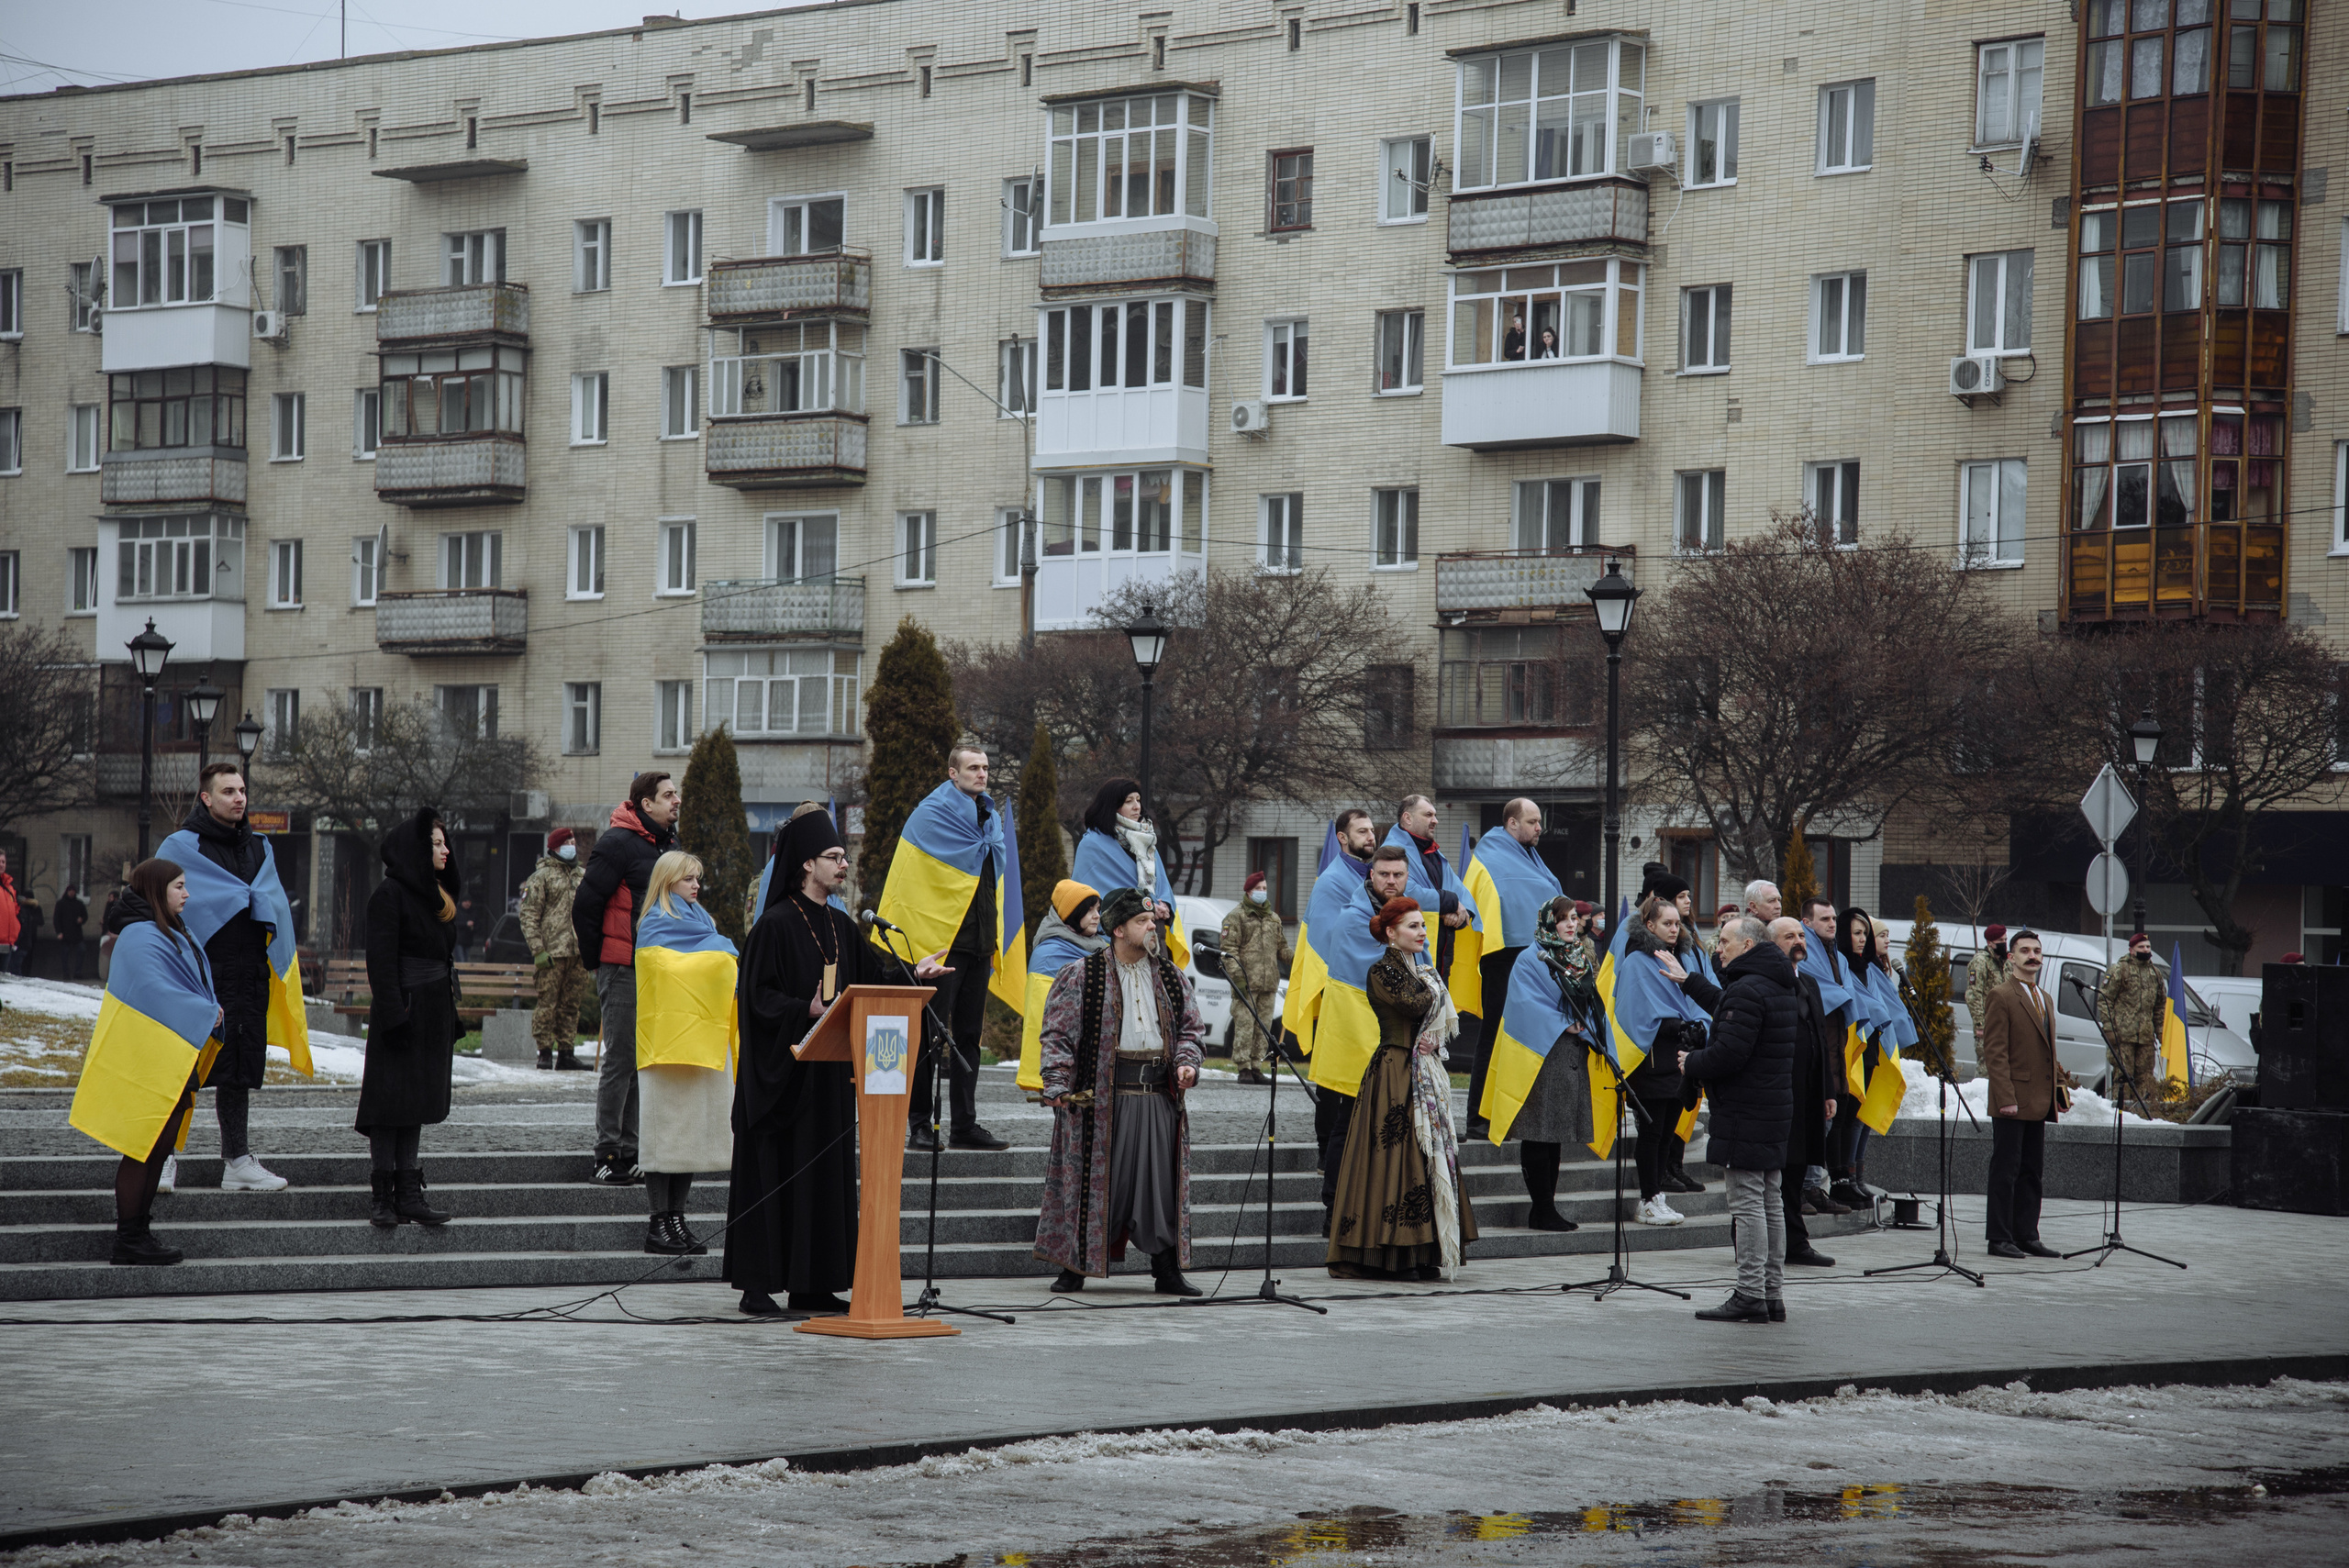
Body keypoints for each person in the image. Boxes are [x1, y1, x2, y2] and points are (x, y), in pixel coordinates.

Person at [729, 806, 943, 1317]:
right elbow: (754, 999)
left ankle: (813, 1283)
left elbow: (872, 982)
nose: (843, 865)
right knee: (776, 1176)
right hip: (782, 1082)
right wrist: (804, 1007)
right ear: (806, 864)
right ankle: (756, 1289)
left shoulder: (842, 924)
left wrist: (915, 971)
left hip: (828, 1081)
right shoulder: (774, 926)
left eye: (844, 857)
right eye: (833, 857)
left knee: (822, 1180)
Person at [1034, 886, 1206, 1296]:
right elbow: (1057, 1034)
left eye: (1154, 922)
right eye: (1142, 922)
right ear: (1118, 929)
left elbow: (1191, 1030)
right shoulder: (1082, 974)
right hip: (1101, 1103)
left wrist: (1187, 1062)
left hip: (1158, 1101)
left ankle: (1166, 1269)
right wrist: (1056, 1080)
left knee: (1159, 1187)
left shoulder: (1170, 976)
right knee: (1093, 1183)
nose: (1152, 928)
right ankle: (1074, 1267)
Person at [157, 763, 306, 1194]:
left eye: (242, 790)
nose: (239, 798)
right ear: (206, 798)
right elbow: (159, 905)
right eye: (228, 791)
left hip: (249, 974)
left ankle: (237, 1159)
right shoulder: (180, 846)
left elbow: (272, 903)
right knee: (183, 1065)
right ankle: (163, 1156)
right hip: (199, 976)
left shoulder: (259, 847)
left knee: (238, 1070)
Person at [68, 858, 220, 1265]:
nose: (187, 894)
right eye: (179, 887)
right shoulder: (139, 935)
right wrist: (204, 1012)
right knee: (143, 1146)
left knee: (161, 1147)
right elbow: (152, 990)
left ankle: (140, 1231)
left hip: (172, 1055)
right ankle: (128, 1238)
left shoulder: (168, 929)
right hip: (150, 1058)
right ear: (157, 891)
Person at [1327, 896, 1479, 1280]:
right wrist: (1434, 988)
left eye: (1423, 926)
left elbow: (1441, 1021)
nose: (1422, 933)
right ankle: (1388, 1255)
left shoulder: (1423, 969)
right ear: (1391, 934)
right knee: (1397, 1158)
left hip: (1423, 1070)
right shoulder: (1383, 970)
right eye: (1413, 927)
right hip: (1394, 1073)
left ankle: (1423, 1253)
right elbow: (1416, 1005)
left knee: (1428, 1156)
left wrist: (1437, 1042)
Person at [875, 745, 1015, 1153]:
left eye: (986, 767)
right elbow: (914, 882)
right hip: (942, 948)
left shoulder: (989, 819)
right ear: (953, 773)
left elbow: (990, 883)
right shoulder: (931, 813)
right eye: (973, 767)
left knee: (968, 1036)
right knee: (927, 1038)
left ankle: (964, 1125)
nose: (982, 773)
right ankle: (920, 1124)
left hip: (978, 946)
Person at [1675, 917, 1798, 1323]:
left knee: (1747, 1203)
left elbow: (1729, 1052)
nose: (1718, 948)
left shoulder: (1747, 988)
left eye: (1725, 941)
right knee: (1769, 1200)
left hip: (1746, 1110)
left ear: (1747, 944)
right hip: (1772, 1109)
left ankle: (1749, 1293)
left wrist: (1690, 1061)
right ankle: (1771, 1294)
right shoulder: (1775, 981)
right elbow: (1730, 1009)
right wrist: (1689, 980)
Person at [572, 771, 683, 1185]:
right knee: (619, 1060)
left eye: (676, 794)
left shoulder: (668, 844)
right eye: (668, 795)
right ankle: (607, 1152)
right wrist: (598, 961)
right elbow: (585, 905)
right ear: (644, 803)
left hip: (656, 970)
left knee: (642, 1060)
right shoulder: (617, 843)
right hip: (621, 968)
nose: (676, 800)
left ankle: (632, 1149)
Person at [357, 809, 462, 1229]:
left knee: (415, 1101)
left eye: (443, 842)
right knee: (388, 1105)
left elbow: (441, 958)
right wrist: (394, 1016)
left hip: (432, 1012)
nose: (445, 850)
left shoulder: (435, 894)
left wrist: (449, 1014)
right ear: (417, 849)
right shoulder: (390, 894)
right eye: (436, 843)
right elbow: (380, 963)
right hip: (401, 1012)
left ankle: (410, 1193)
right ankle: (383, 1196)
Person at [632, 851, 737, 1259]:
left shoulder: (701, 921)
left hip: (697, 1043)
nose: (696, 886)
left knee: (687, 1135)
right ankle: (659, 1223)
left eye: (698, 879)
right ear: (667, 882)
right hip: (664, 1046)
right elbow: (669, 974)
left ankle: (677, 1218)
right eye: (688, 879)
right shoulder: (655, 923)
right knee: (664, 1138)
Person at [1308, 845, 1412, 1229]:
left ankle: (1380, 1209)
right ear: (1371, 876)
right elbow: (1375, 977)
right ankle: (1334, 1210)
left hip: (1398, 1041)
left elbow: (1423, 973)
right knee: (1349, 1125)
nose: (1390, 881)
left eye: (1397, 874)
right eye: (1383, 874)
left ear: (1406, 876)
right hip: (1357, 1037)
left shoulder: (1410, 917)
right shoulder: (1353, 919)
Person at [1489, 895, 1596, 1231]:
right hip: (1540, 1054)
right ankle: (1542, 1209)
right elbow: (1523, 1004)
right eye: (1561, 918)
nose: (1570, 924)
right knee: (1539, 1133)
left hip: (1572, 1054)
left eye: (1574, 917)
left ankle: (1547, 1207)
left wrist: (1589, 1024)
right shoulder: (1530, 958)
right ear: (1547, 922)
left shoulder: (1578, 957)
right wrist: (1561, 1023)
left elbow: (1591, 997)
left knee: (1556, 1134)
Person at [1463, 799, 1563, 1141]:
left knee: (1525, 1036)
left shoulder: (1530, 856)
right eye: (1532, 822)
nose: (1539, 828)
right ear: (1511, 824)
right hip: (1502, 959)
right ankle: (1477, 1116)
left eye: (1539, 822)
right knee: (1492, 1035)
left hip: (1535, 958)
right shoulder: (1490, 857)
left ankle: (1515, 1111)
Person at [1979, 930, 2068, 1260]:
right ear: (2011, 958)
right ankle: (1999, 1238)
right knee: (2005, 1169)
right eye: (2025, 951)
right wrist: (2005, 1097)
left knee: (2032, 1170)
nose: (2033, 956)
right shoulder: (2000, 995)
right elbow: (1995, 1052)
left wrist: (2058, 1090)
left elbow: (2047, 1051)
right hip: (2012, 1100)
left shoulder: (2044, 997)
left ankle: (2026, 1234)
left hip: (2039, 1098)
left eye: (2037, 951)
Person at [1624, 894, 1709, 1224]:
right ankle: (1647, 1198)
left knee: (1666, 1133)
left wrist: (1695, 1026)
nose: (1675, 929)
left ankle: (1657, 1195)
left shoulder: (1680, 958)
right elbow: (1634, 1011)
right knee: (1651, 1132)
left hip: (1678, 1057)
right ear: (1649, 925)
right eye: (1667, 923)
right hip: (1650, 1059)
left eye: (1677, 923)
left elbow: (1692, 1000)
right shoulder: (1636, 961)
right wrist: (1677, 1023)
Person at [1768, 917, 1842, 1268]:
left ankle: (1796, 1242)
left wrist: (1828, 1091)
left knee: (1796, 1170)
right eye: (1789, 936)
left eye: (1801, 935)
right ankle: (1759, 1243)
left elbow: (1819, 1042)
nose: (1799, 941)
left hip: (1807, 1093)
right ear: (1771, 943)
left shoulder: (1809, 982)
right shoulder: (1764, 983)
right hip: (1776, 1092)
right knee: (1773, 1174)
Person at [1072, 777, 1186, 960]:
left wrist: (1164, 904)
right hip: (1113, 941)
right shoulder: (1092, 845)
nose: (1137, 807)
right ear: (1112, 806)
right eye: (1128, 801)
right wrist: (1147, 907)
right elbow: (1094, 895)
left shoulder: (1147, 840)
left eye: (1138, 800)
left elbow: (1162, 884)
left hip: (1153, 936)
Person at [1017, 880, 1107, 1093]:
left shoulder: (1103, 947)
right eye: (1089, 910)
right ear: (1072, 914)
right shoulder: (1048, 954)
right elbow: (1041, 1016)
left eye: (1098, 909)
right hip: (1065, 1055)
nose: (1097, 916)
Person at [518, 828, 591, 1072]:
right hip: (551, 952)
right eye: (566, 841)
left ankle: (567, 1053)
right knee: (547, 1004)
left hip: (578, 953)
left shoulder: (582, 875)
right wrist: (537, 949)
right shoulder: (541, 877)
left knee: (571, 1005)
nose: (572, 844)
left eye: (573, 840)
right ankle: (545, 1052)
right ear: (555, 847)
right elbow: (529, 914)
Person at [1386, 795, 1473, 984]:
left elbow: (1462, 893)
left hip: (1442, 958)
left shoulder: (1433, 852)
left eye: (1435, 815)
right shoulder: (1391, 852)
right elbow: (1408, 893)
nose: (1435, 821)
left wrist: (1459, 914)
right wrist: (1451, 903)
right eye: (1428, 815)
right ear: (1408, 818)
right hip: (1411, 958)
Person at [1219, 872, 1291, 1084]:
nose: (1262, 892)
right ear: (1249, 891)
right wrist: (1238, 979)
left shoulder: (1273, 918)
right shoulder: (1236, 916)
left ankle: (1256, 1067)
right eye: (1258, 889)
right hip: (1246, 983)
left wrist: (1300, 960)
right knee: (1245, 1024)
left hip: (1269, 983)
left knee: (1263, 1027)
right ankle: (1243, 1068)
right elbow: (1228, 951)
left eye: (1264, 889)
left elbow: (1282, 949)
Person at [2096, 932, 2165, 1114]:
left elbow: (2159, 1006)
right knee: (2123, 1079)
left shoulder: (2155, 974)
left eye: (2148, 947)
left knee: (2145, 1079)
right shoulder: (2120, 970)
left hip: (2145, 1038)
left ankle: (2142, 1115)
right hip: (2122, 1036)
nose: (2146, 950)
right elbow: (2105, 1000)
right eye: (2141, 947)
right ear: (2131, 950)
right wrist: (2109, 1028)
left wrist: (2161, 1031)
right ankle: (2121, 1115)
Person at [1965, 924, 2009, 1040]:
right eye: (2000, 940)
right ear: (1990, 942)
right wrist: (1980, 1024)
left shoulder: (2006, 962)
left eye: (2005, 940)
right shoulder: (1981, 961)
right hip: (1988, 1025)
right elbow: (1974, 994)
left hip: (2006, 1024)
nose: (2003, 943)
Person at [54, 884, 88, 982]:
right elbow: (56, 919)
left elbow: (85, 916)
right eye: (70, 891)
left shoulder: (79, 904)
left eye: (73, 891)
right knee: (65, 954)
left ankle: (78, 972)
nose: (72, 893)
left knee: (82, 950)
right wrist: (59, 932)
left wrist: (81, 920)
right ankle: (66, 973)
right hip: (65, 933)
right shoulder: (61, 904)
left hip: (76, 933)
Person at [0, 850, 19, 975]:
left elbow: (15, 910)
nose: (1, 864)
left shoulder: (9, 888)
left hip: (7, 944)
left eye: (3, 861)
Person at [16, 889, 41, 976]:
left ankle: (24, 974)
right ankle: (26, 973)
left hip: (24, 937)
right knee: (27, 958)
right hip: (30, 936)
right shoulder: (35, 908)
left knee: (20, 959)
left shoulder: (21, 908)